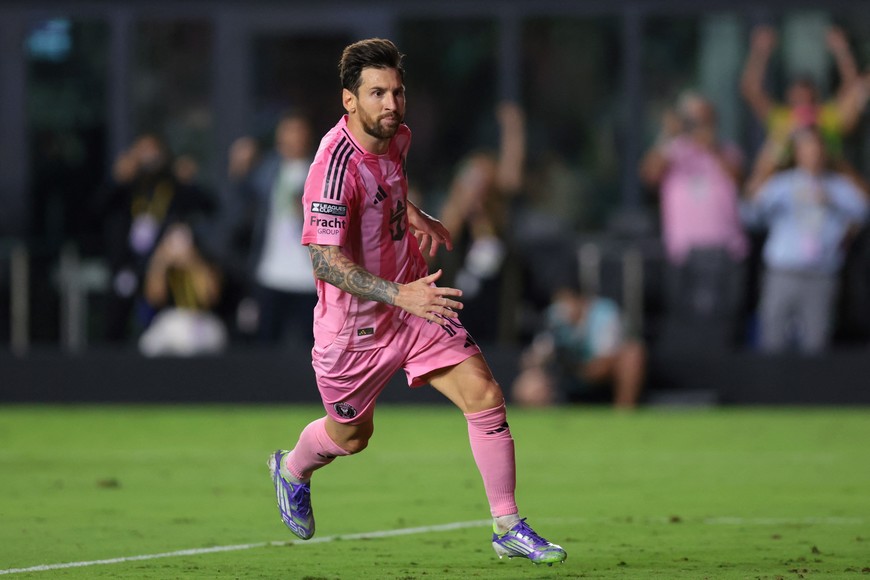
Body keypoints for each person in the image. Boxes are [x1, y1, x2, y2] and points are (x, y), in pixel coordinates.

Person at [267, 38, 566, 566]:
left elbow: (387, 186)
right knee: (352, 437)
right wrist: (397, 293)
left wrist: (414, 214)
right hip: (354, 328)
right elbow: (324, 262)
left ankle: (507, 525)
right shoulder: (332, 167)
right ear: (348, 100)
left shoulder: (396, 135)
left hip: (414, 301)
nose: (391, 104)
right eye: (377, 93)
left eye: (397, 91)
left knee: (484, 393)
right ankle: (292, 469)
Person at [743, 126, 869, 353]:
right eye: (807, 148)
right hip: (783, 272)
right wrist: (765, 172)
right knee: (772, 339)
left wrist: (832, 199)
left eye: (817, 148)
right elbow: (752, 213)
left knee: (816, 343)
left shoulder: (838, 186)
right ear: (798, 153)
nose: (813, 154)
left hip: (821, 274)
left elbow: (863, 210)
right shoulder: (782, 184)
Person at [90, 134, 216, 342]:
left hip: (162, 263)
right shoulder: (127, 187)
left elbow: (208, 205)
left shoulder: (172, 186)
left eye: (153, 151)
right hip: (127, 263)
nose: (148, 157)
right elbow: (97, 210)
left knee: (159, 323)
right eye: (143, 151)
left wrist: (189, 181)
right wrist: (117, 180)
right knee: (116, 318)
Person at [228, 113, 318, 345]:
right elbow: (243, 197)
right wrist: (239, 168)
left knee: (312, 348)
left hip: (309, 278)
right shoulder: (268, 170)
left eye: (297, 131)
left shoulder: (322, 170)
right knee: (266, 345)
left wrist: (309, 215)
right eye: (287, 131)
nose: (292, 138)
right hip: (270, 274)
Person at [740, 25, 865, 165]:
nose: (804, 102)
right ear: (789, 98)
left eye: (808, 98)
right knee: (769, 155)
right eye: (799, 99)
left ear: (816, 97)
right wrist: (760, 52)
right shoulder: (782, 119)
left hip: (827, 174)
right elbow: (751, 90)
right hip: (787, 175)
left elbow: (853, 89)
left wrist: (841, 50)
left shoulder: (828, 118)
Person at [511, 284, 646, 409]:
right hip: (565, 374)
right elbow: (537, 355)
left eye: (567, 302)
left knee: (632, 353)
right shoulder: (554, 317)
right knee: (527, 386)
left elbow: (604, 364)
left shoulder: (604, 313)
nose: (563, 308)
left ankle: (623, 414)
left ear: (580, 301)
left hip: (596, 372)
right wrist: (536, 361)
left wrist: (576, 368)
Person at [138, 222, 227, 357]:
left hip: (199, 318)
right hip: (171, 317)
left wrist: (193, 262)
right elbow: (154, 298)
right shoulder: (163, 265)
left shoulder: (204, 263)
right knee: (148, 344)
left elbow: (210, 298)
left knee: (197, 343)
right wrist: (161, 262)